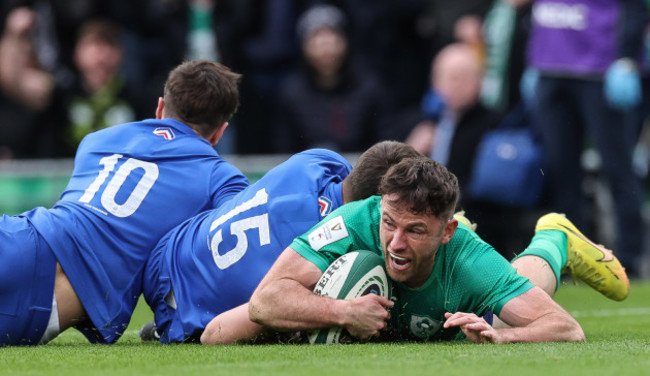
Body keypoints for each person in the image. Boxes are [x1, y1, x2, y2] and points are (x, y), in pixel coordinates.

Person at [204, 156, 630, 344]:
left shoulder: (466, 256)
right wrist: (343, 313)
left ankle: (553, 237)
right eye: (390, 223)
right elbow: (262, 302)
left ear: (447, 231)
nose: (395, 242)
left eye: (415, 230)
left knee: (501, 310)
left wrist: (501, 337)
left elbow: (566, 329)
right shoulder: (357, 220)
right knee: (219, 336)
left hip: (457, 304)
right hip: (352, 305)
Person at [0, 60, 250, 346]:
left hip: (18, 234)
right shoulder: (222, 180)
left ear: (160, 108)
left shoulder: (97, 140)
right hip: (40, 293)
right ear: (219, 132)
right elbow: (241, 248)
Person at [142, 141, 422, 343]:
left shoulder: (319, 160)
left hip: (171, 247)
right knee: (296, 322)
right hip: (180, 311)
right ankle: (162, 330)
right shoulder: (329, 247)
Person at [525, 0, 647, 277]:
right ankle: (570, 258)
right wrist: (531, 58)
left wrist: (627, 58)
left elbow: (635, 8)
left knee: (617, 168)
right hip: (550, 69)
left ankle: (630, 259)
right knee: (560, 171)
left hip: (599, 72)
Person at [273, 4, 391, 153]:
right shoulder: (291, 93)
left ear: (345, 42)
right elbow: (283, 150)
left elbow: (384, 143)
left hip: (361, 171)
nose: (326, 51)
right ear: (304, 47)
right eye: (316, 42)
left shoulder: (369, 88)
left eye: (332, 40)